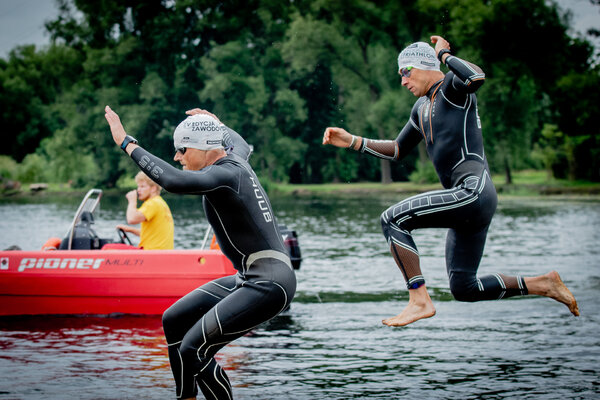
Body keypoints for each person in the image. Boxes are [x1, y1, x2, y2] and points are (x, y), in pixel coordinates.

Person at [322, 35, 579, 327]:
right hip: (467, 203)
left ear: (424, 65)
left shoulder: (452, 88)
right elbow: (396, 149)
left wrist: (444, 54)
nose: (403, 81)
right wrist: (353, 141)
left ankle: (418, 300)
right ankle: (544, 285)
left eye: (406, 72)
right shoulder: (420, 109)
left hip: (473, 191)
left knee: (392, 220)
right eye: (400, 75)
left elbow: (476, 76)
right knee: (464, 288)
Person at [105, 105, 296, 399]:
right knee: (173, 320)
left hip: (269, 282)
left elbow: (172, 181)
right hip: (251, 276)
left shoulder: (225, 173)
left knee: (194, 348)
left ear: (205, 147)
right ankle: (186, 397)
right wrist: (213, 123)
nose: (176, 157)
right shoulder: (234, 156)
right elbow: (238, 141)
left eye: (181, 149)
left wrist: (126, 142)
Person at [115, 171, 174, 250]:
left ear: (153, 188)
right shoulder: (160, 203)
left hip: (152, 254)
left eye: (142, 186)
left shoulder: (152, 203)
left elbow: (132, 219)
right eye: (138, 186)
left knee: (107, 248)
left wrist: (132, 201)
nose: (138, 190)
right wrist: (129, 229)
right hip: (161, 253)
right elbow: (151, 234)